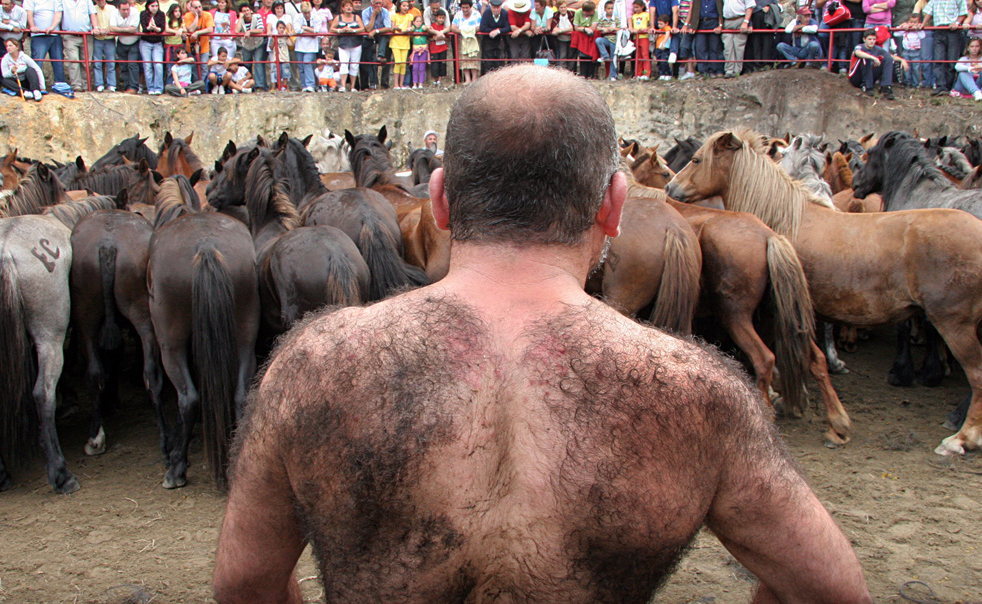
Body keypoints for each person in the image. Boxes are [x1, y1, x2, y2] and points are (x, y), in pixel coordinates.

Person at [214, 63, 873, 604]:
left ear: (440, 201)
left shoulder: (314, 365)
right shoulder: (697, 391)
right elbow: (830, 589)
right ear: (614, 206)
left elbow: (245, 582)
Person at [921, 0, 968, 95]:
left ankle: (948, 86)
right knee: (938, 59)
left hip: (953, 31)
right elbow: (929, 11)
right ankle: (940, 86)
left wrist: (957, 22)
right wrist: (923, 23)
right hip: (939, 30)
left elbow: (963, 11)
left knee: (952, 60)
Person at [53, 0, 98, 92]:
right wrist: (52, 27)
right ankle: (76, 85)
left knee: (86, 61)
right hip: (70, 35)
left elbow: (92, 13)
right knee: (73, 60)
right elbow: (58, 13)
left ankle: (86, 85)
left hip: (86, 35)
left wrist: (95, 27)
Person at [24, 0, 66, 84]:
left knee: (58, 61)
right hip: (39, 35)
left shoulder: (53, 0)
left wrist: (52, 27)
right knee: (37, 61)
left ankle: (60, 84)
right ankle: (36, 84)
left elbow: (58, 15)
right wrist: (32, 26)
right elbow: (29, 13)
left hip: (54, 34)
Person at [689, 0, 724, 76]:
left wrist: (720, 25)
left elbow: (721, 10)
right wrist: (693, 25)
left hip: (714, 22)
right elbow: (695, 9)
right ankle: (702, 71)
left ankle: (713, 70)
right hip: (701, 23)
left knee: (714, 48)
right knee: (700, 47)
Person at [848, 28, 900, 98]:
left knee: (888, 59)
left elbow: (889, 56)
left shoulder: (877, 49)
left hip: (869, 74)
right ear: (864, 39)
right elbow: (858, 53)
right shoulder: (860, 46)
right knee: (866, 58)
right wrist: (873, 57)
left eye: (874, 39)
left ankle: (886, 87)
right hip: (856, 76)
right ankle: (867, 86)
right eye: (869, 39)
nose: (872, 41)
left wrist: (902, 60)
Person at [110, 0, 141, 92]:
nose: (126, 12)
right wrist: (126, 30)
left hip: (134, 41)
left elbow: (133, 29)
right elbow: (112, 28)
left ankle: (134, 87)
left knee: (132, 65)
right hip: (121, 42)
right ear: (118, 9)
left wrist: (120, 30)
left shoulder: (135, 12)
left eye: (127, 9)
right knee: (123, 65)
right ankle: (126, 86)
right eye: (123, 10)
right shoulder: (114, 13)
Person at [234, 1, 265, 90]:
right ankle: (248, 84)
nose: (246, 12)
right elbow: (236, 30)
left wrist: (250, 32)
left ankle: (260, 85)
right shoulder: (239, 20)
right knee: (247, 64)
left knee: (258, 62)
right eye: (244, 11)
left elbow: (260, 29)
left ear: (251, 11)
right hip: (246, 44)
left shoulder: (257, 17)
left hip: (257, 43)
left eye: (247, 10)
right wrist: (240, 18)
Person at [138, 0, 165, 93]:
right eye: (152, 6)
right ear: (148, 6)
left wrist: (155, 29)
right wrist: (149, 28)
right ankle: (150, 88)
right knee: (147, 65)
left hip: (157, 42)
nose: (155, 8)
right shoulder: (143, 14)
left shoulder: (161, 14)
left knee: (158, 65)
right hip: (145, 42)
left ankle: (158, 88)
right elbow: (144, 28)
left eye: (156, 6)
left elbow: (162, 28)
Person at [451, 0, 481, 83]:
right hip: (462, 40)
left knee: (474, 58)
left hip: (474, 39)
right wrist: (463, 32)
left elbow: (479, 26)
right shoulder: (458, 15)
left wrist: (469, 31)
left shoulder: (476, 14)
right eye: (463, 7)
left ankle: (474, 78)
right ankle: (467, 79)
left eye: (467, 7)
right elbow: (453, 27)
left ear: (470, 7)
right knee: (464, 59)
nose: (465, 9)